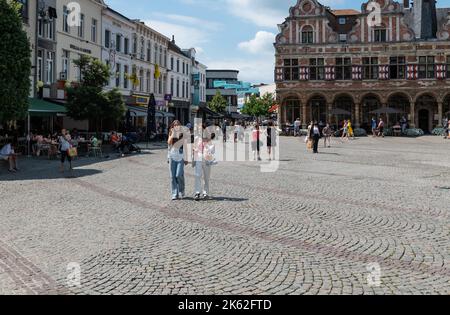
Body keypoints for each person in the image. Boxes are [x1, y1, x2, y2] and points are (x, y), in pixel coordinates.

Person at [193, 125, 215, 201]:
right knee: (197, 175)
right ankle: (197, 192)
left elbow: (212, 151)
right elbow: (194, 148)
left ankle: (205, 193)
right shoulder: (197, 139)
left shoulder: (209, 140)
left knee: (206, 177)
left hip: (207, 159)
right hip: (198, 158)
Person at [168, 120, 188, 201]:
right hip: (172, 156)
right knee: (172, 177)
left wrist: (187, 158)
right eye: (175, 125)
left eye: (178, 125)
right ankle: (174, 194)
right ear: (173, 126)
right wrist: (173, 133)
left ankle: (181, 190)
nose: (176, 126)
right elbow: (169, 143)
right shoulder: (171, 133)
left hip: (181, 156)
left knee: (179, 175)